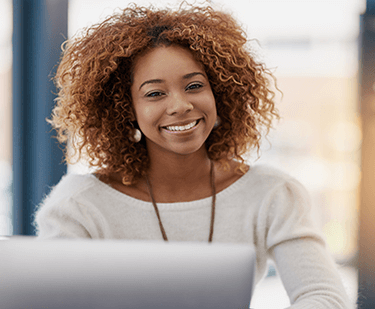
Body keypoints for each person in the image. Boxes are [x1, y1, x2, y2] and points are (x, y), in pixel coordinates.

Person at [34, 3, 351, 308]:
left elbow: (325, 297)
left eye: (194, 86)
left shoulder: (271, 194)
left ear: (220, 93)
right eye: (155, 93)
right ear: (126, 109)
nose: (180, 106)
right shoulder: (80, 205)